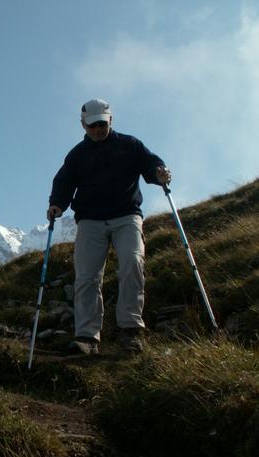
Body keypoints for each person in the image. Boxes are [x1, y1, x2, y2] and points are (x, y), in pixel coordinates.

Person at [47, 98, 171, 354]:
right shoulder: (77, 155)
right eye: (91, 125)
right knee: (87, 276)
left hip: (126, 216)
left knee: (133, 261)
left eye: (101, 124)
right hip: (90, 220)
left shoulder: (129, 145)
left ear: (110, 120)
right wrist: (57, 204)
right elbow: (64, 182)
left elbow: (150, 163)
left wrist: (159, 172)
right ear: (83, 125)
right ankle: (87, 337)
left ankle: (130, 332)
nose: (97, 129)